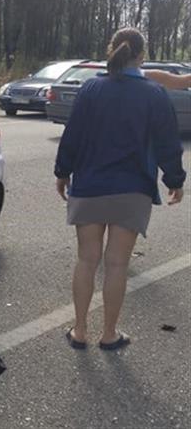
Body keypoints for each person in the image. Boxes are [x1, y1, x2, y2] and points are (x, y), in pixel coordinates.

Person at [55, 27, 185, 351]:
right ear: (142, 55)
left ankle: (80, 331)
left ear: (111, 49)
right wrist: (175, 181)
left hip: (89, 185)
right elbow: (169, 143)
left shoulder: (90, 89)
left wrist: (62, 172)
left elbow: (72, 135)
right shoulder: (154, 94)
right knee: (116, 264)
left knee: (87, 260)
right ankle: (109, 334)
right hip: (133, 188)